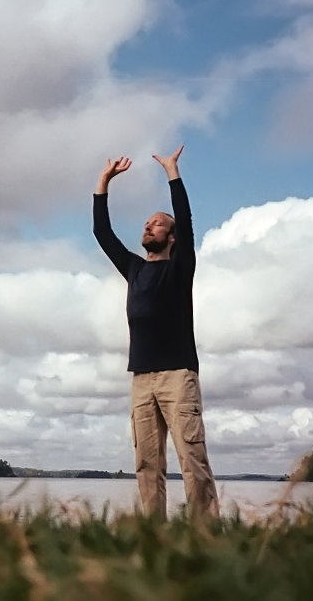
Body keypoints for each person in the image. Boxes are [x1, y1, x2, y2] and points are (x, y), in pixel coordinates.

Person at [93, 145, 219, 519]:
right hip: (141, 380)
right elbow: (102, 232)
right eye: (147, 223)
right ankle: (154, 534)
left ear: (172, 237)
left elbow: (186, 218)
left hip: (178, 376)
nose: (149, 226)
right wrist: (104, 181)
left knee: (192, 459)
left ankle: (206, 534)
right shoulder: (134, 269)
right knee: (147, 465)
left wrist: (172, 173)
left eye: (158, 223)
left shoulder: (180, 269)